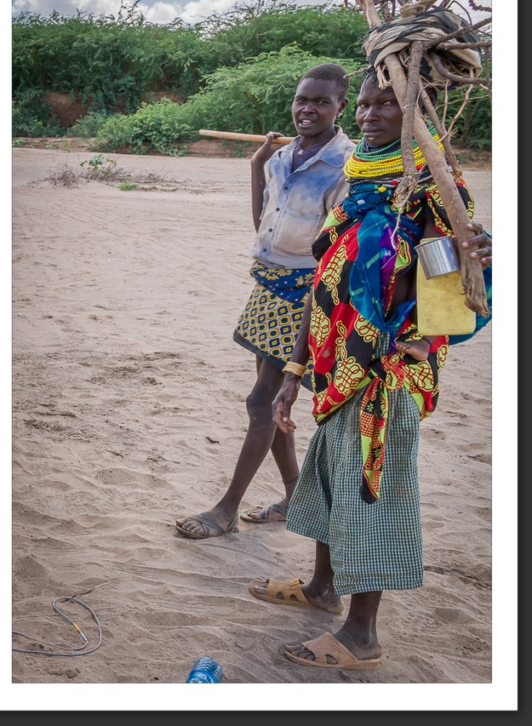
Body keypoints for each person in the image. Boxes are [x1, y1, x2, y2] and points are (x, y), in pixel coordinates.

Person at [248, 67, 492, 669]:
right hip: (335, 362)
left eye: (389, 105)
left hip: (386, 369)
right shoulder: (359, 176)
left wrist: (470, 260)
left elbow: (448, 277)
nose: (370, 115)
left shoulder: (429, 186)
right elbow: (323, 277)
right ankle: (323, 591)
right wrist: (295, 369)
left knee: (370, 490)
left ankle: (362, 635)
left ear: (416, 113)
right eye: (365, 104)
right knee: (332, 478)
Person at [175, 63, 357, 539]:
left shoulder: (347, 164)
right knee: (272, 402)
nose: (308, 108)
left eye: (320, 101)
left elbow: (336, 247)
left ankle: (226, 509)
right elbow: (263, 220)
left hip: (307, 293)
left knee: (262, 402)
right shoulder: (282, 158)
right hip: (268, 284)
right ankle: (294, 493)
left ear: (341, 106)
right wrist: (256, 165)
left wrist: (320, 300)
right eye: (302, 99)